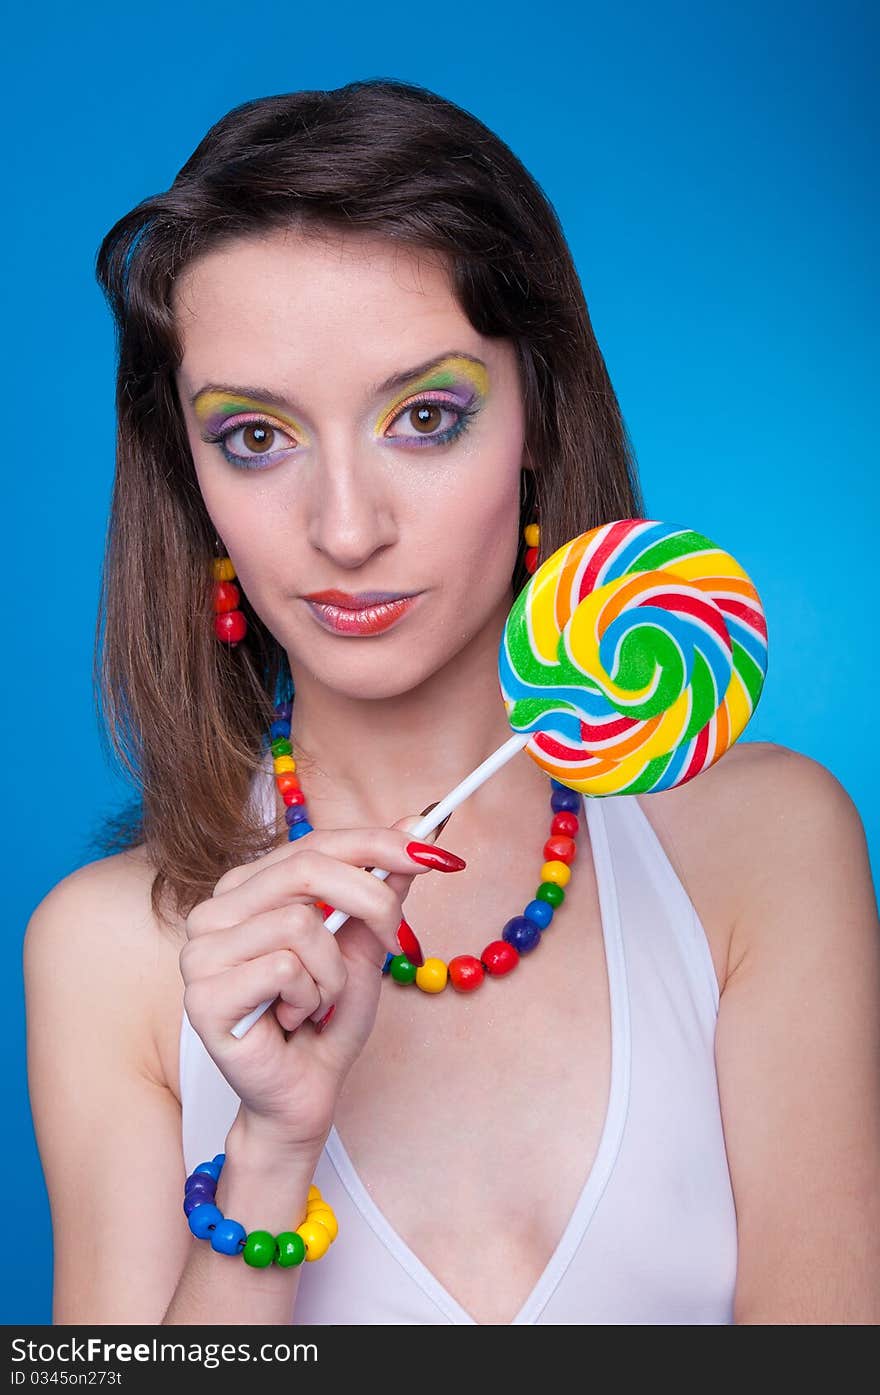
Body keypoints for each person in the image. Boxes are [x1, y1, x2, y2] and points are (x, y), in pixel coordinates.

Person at [23, 78, 879, 1328]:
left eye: (425, 417)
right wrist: (268, 1151)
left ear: (534, 415)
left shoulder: (765, 847)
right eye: (256, 437)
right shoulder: (107, 952)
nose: (346, 528)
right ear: (188, 476)